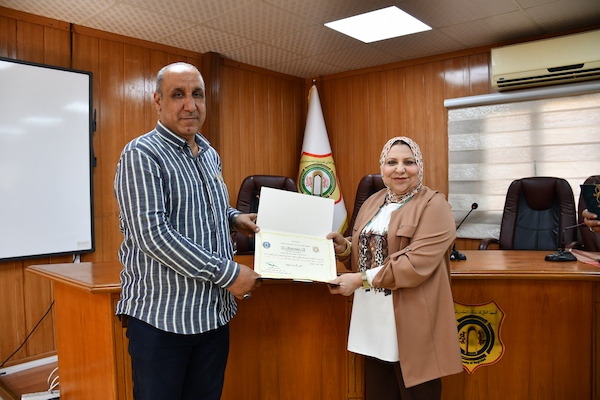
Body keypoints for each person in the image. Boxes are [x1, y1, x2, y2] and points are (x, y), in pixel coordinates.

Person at [114, 62, 262, 400]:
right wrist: (228, 273)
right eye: (178, 95)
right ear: (158, 101)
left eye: (197, 94)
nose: (190, 105)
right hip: (163, 321)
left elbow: (204, 207)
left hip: (213, 316)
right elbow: (153, 235)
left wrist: (234, 218)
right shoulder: (141, 155)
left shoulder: (208, 153)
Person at [327, 136, 463, 400]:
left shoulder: (435, 206)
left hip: (412, 322)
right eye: (392, 162)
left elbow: (413, 265)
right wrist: (344, 247)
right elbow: (364, 256)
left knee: (418, 394)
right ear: (382, 167)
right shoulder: (373, 202)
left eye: (408, 162)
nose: (400, 169)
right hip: (372, 319)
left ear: (419, 166)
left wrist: (359, 280)